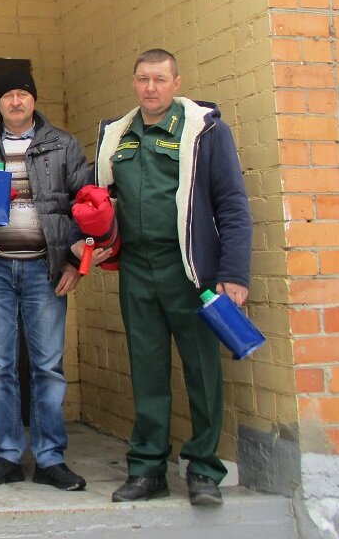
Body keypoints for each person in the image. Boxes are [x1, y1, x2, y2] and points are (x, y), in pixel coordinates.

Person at [97, 49, 252, 506]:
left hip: (190, 271)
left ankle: (204, 470)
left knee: (202, 371)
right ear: (134, 82)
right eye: (143, 79)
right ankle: (147, 470)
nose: (150, 88)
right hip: (137, 270)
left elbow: (233, 205)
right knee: (146, 371)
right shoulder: (116, 135)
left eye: (160, 79)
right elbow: (99, 197)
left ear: (177, 82)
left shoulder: (206, 132)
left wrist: (233, 272)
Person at [0, 69, 102, 492]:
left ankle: (51, 457)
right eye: (8, 95)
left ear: (33, 100)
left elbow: (83, 205)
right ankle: (8, 455)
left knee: (48, 367)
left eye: (23, 94)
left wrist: (77, 264)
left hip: (46, 268)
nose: (16, 101)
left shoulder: (62, 144)